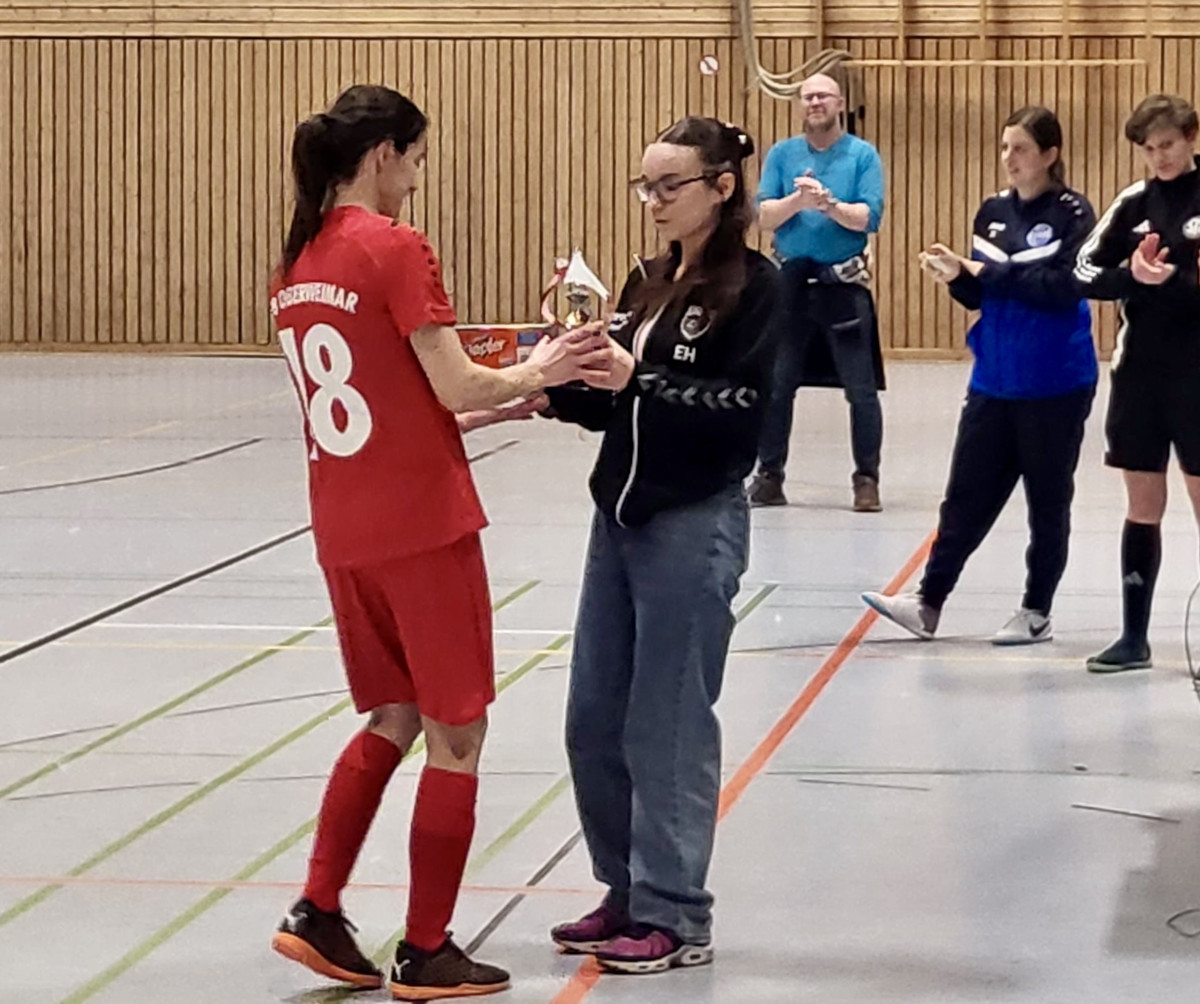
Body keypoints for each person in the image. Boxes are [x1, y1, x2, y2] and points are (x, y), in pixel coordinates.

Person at [267, 84, 610, 999]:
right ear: (382, 153)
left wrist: (516, 395)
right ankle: (426, 948)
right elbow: (455, 386)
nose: (416, 182)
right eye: (414, 161)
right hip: (422, 527)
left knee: (390, 718)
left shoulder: (297, 262)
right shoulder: (394, 247)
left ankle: (318, 907)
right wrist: (547, 362)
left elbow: (392, 400)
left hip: (343, 523)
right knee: (458, 733)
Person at [543, 116, 779, 974]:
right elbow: (614, 409)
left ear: (721, 188)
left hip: (694, 520)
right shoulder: (644, 284)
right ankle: (625, 891)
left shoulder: (757, 287)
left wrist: (637, 375)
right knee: (593, 718)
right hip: (620, 519)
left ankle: (677, 913)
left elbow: (742, 407)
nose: (652, 202)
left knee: (668, 725)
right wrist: (559, 375)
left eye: (667, 187)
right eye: (643, 187)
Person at [862, 107, 1098, 644]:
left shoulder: (1072, 214)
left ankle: (1036, 610)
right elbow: (979, 292)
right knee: (965, 495)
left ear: (1049, 155)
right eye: (1004, 147)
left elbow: (1062, 287)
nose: (1008, 158)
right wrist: (956, 277)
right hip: (994, 377)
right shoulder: (991, 212)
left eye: (1020, 148)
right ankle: (928, 602)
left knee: (1047, 499)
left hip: (1056, 380)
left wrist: (987, 273)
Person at [1074, 93, 1200, 673]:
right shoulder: (1134, 202)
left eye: (1168, 145)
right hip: (1140, 377)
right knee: (1142, 505)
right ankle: (1133, 637)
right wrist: (1131, 275)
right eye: (1150, 150)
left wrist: (1177, 280)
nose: (1160, 157)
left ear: (1192, 138)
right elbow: (1082, 270)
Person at [746, 72, 887, 512]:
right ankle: (770, 476)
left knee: (860, 390)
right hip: (789, 285)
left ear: (839, 103)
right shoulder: (783, 155)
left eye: (823, 96)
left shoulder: (862, 155)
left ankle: (867, 479)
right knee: (776, 384)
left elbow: (868, 217)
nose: (814, 103)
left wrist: (828, 205)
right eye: (808, 97)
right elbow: (764, 215)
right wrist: (799, 202)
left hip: (842, 286)